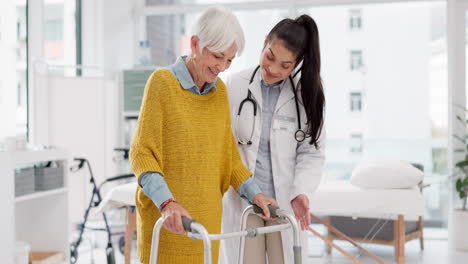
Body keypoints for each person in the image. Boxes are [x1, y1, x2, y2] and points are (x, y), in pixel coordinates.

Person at [129, 7, 277, 264]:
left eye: (229, 60)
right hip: (169, 226)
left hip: (206, 228)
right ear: (195, 44)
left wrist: (256, 194)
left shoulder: (219, 92)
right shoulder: (162, 83)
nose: (222, 66)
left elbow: (228, 158)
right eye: (218, 56)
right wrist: (168, 204)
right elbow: (142, 154)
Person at [220, 14, 326, 264]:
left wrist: (301, 191)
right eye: (270, 57)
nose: (273, 69)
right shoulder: (236, 84)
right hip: (244, 202)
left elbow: (312, 153)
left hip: (284, 205)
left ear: (297, 63)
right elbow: (223, 145)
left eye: (285, 65)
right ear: (265, 42)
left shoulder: (306, 96)